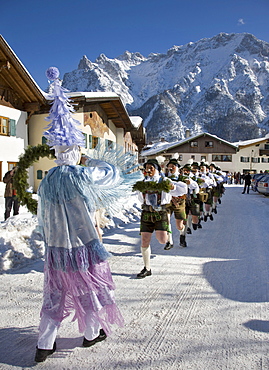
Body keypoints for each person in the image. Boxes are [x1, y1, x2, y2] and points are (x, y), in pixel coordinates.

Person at [34, 67, 140, 362]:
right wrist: (91, 159)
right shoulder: (80, 176)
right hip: (81, 248)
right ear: (75, 150)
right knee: (87, 290)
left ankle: (44, 344)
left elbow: (43, 217)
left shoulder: (49, 180)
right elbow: (112, 175)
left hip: (56, 251)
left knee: (54, 297)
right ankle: (92, 334)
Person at [133, 159, 187, 278]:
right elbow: (139, 198)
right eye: (146, 168)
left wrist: (172, 187)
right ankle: (147, 268)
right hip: (146, 213)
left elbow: (183, 189)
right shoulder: (142, 183)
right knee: (144, 240)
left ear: (156, 169)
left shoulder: (165, 181)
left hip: (160, 212)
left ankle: (170, 238)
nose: (148, 170)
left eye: (151, 168)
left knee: (162, 239)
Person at [165, 159, 188, 249]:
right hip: (167, 201)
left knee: (179, 225)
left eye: (173, 166)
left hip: (179, 202)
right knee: (166, 220)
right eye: (169, 166)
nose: (170, 168)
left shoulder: (182, 178)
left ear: (177, 168)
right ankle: (169, 241)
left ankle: (182, 234)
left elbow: (184, 190)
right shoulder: (164, 177)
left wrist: (174, 188)